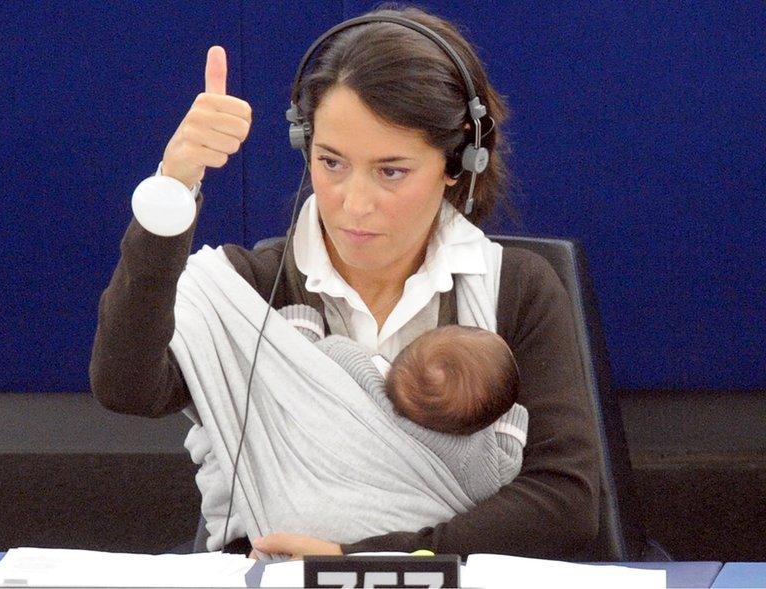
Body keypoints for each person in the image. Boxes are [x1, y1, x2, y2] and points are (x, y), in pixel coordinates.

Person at [90, 5, 600, 559]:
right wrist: (173, 186)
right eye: (331, 163)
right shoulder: (247, 293)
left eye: (391, 171)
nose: (354, 203)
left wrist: (359, 562)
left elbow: (565, 503)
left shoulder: (517, 289)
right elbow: (126, 387)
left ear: (459, 163)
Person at [280, 304, 524, 438]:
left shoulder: (358, 368)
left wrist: (304, 321)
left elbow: (303, 360)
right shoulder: (471, 460)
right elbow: (503, 468)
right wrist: (513, 419)